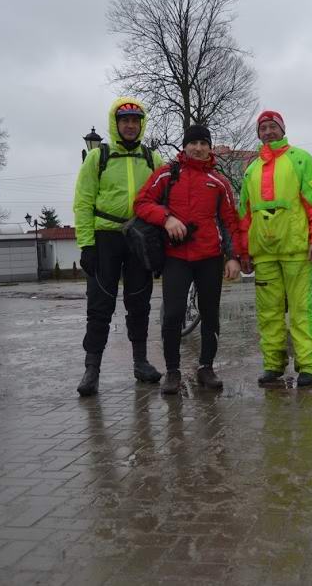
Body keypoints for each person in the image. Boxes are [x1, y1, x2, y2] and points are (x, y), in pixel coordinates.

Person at [134, 124, 243, 396]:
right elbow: (142, 203)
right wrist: (166, 218)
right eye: (192, 143)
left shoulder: (220, 182)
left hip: (210, 257)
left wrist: (234, 257)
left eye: (203, 143)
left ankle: (206, 367)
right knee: (172, 314)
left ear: (209, 147)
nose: (198, 148)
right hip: (176, 257)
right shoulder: (166, 175)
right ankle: (172, 371)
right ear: (184, 146)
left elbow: (230, 222)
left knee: (210, 314)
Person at [73, 97, 165, 397]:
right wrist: (86, 244)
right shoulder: (97, 158)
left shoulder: (153, 159)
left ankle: (140, 363)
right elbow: (83, 203)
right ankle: (92, 369)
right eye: (125, 120)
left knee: (139, 303)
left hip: (140, 238)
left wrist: (161, 241)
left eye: (135, 121)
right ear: (116, 123)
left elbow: (166, 200)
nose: (130, 125)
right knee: (99, 306)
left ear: (141, 124)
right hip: (105, 238)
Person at [238, 110, 312, 387]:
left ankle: (308, 366)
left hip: (297, 251)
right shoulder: (251, 169)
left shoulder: (301, 159)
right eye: (263, 128)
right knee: (268, 314)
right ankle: (273, 365)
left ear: (282, 129)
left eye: (272, 127)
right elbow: (243, 215)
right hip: (264, 253)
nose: (268, 132)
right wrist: (244, 252)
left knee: (302, 310)